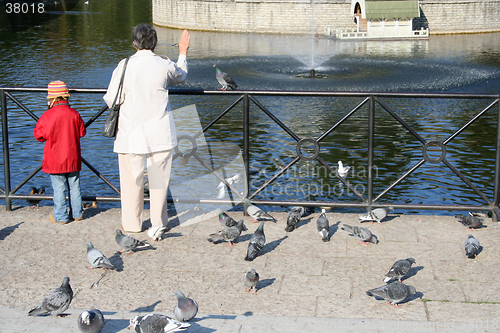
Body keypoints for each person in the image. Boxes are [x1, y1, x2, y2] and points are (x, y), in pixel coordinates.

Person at [103, 24, 190, 239]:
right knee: (159, 180)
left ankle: (132, 224)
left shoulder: (125, 66)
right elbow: (181, 76)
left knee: (132, 179)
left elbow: (110, 98)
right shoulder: (163, 64)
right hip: (160, 131)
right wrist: (183, 52)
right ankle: (158, 223)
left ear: (134, 43)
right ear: (155, 43)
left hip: (130, 132)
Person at [34, 80, 87, 224]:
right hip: (73, 157)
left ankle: (61, 216)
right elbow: (82, 132)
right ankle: (77, 213)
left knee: (59, 189)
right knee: (75, 187)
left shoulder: (47, 115)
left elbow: (39, 135)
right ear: (66, 97)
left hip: (55, 159)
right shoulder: (74, 113)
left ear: (52, 99)